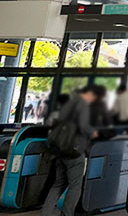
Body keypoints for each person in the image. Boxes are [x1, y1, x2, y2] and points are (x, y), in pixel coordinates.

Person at [42, 86, 99, 216]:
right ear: (89, 94)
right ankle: (67, 214)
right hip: (74, 151)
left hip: (59, 150)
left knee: (58, 184)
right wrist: (93, 133)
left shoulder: (66, 107)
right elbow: (84, 127)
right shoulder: (82, 107)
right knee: (75, 185)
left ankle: (46, 213)